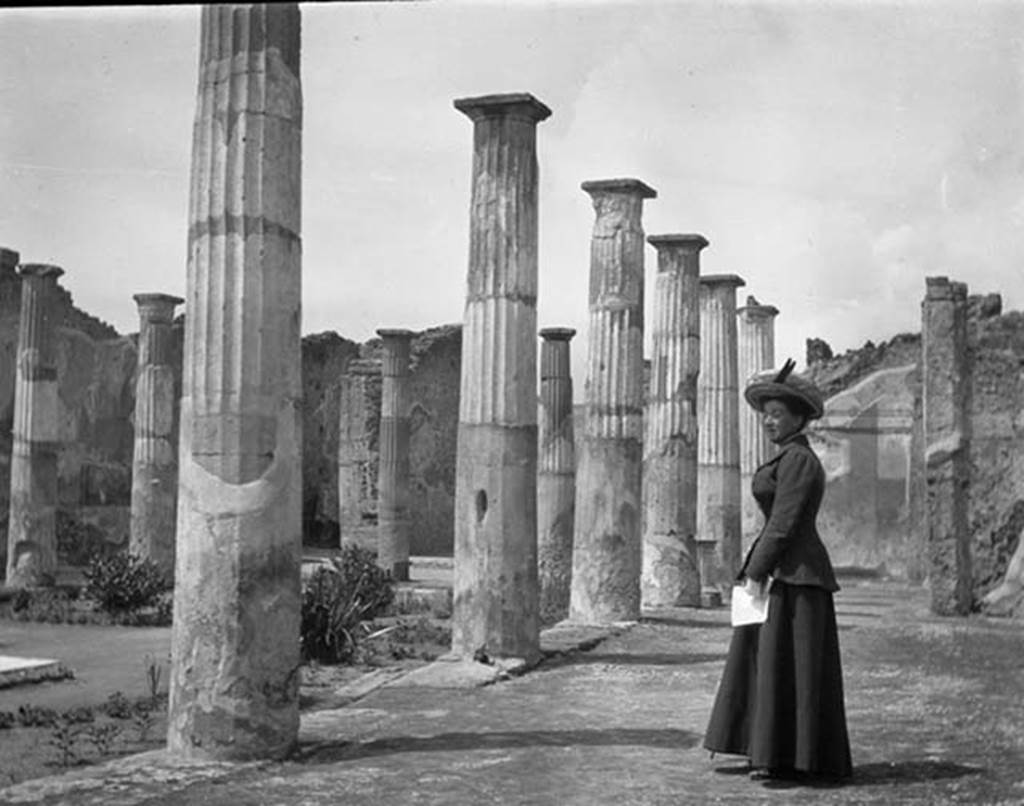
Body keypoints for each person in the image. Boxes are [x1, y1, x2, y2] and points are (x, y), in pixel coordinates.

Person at [703, 359, 853, 782]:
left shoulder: (800, 462)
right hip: (784, 572)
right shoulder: (789, 457)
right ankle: (770, 750)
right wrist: (755, 567)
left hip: (799, 574)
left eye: (777, 415)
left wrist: (756, 569)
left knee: (792, 664)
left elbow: (785, 524)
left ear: (799, 418)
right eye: (765, 415)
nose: (768, 422)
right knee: (771, 661)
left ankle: (795, 757)